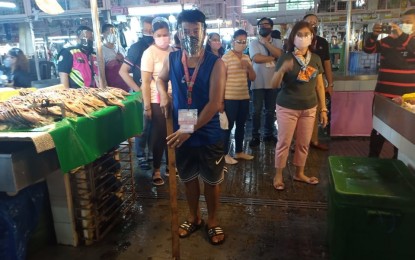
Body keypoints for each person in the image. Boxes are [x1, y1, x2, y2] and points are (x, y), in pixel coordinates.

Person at [156, 9, 226, 245]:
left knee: (211, 182)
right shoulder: (173, 59)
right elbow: (160, 78)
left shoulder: (216, 63)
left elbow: (215, 103)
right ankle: (194, 217)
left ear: (204, 32)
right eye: (186, 31)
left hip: (208, 132)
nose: (191, 35)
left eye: (195, 31)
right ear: (178, 33)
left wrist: (188, 129)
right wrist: (164, 97)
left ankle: (213, 221)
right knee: (188, 178)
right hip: (181, 132)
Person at [270, 21, 328, 191]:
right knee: (284, 142)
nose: (303, 38)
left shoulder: (316, 59)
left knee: (304, 143)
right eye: (299, 35)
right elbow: (274, 85)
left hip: (309, 108)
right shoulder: (285, 57)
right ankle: (278, 174)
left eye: (307, 35)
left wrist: (323, 109)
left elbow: (319, 86)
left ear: (312, 37)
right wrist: (281, 71)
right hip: (287, 107)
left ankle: (299, 173)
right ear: (293, 37)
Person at [363, 8, 415, 159]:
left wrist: (402, 36)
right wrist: (374, 35)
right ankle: (372, 159)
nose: (404, 24)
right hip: (384, 96)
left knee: (404, 133)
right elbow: (368, 49)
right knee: (378, 130)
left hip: (408, 99)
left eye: (408, 22)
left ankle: (398, 162)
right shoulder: (388, 41)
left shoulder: (411, 42)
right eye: (402, 22)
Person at [141, 17, 175, 186]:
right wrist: (147, 106)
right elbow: (145, 82)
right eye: (159, 35)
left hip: (176, 99)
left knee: (175, 133)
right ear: (153, 35)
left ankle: (171, 166)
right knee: (159, 135)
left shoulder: (174, 51)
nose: (163, 38)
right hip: (157, 100)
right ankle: (156, 169)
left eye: (166, 34)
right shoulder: (149, 53)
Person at [119, 18, 154, 170]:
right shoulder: (136, 48)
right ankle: (140, 156)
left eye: (152, 31)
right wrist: (139, 90)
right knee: (143, 127)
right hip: (141, 95)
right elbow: (123, 71)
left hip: (156, 95)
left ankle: (152, 153)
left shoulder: (161, 48)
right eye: (147, 31)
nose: (150, 34)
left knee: (155, 127)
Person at [222, 29, 256, 165]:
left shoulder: (247, 58)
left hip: (244, 96)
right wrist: (221, 101)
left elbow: (253, 78)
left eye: (244, 42)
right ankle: (224, 153)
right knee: (228, 126)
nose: (242, 44)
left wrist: (249, 67)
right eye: (239, 41)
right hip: (230, 97)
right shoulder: (226, 57)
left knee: (241, 125)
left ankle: (239, 151)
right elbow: (221, 79)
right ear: (233, 41)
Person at [248, 17, 283, 147]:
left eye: (266, 24)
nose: (263, 26)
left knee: (270, 110)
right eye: (260, 25)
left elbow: (281, 54)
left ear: (271, 28)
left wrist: (267, 44)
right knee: (256, 111)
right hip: (257, 82)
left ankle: (269, 134)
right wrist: (273, 56)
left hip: (274, 82)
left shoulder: (278, 42)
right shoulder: (253, 43)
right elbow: (256, 58)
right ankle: (255, 136)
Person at [303, 14, 334, 151]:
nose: (312, 24)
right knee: (299, 113)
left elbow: (327, 63)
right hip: (301, 84)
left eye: (315, 22)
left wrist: (330, 84)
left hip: (318, 81)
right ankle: (297, 143)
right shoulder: (298, 40)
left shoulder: (322, 42)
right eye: (309, 22)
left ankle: (314, 140)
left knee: (315, 113)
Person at [101, 23, 129, 92]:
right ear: (104, 34)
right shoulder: (101, 51)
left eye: (114, 33)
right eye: (110, 33)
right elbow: (101, 71)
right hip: (111, 86)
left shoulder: (120, 48)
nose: (113, 35)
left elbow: (127, 66)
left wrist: (122, 59)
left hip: (124, 84)